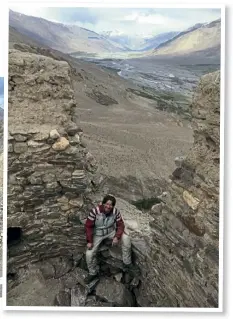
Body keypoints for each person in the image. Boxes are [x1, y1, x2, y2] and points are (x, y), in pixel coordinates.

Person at [84, 194, 140, 283]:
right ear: (103, 203)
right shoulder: (95, 211)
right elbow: (88, 226)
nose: (108, 206)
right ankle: (93, 272)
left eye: (111, 205)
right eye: (106, 204)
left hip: (111, 231)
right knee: (89, 254)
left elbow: (120, 224)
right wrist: (90, 241)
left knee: (126, 238)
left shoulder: (115, 212)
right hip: (98, 234)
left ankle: (127, 263)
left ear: (113, 206)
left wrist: (117, 237)